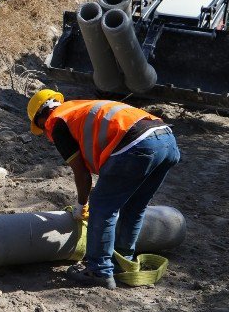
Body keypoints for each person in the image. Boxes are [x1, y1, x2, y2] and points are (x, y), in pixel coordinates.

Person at [27, 89, 181, 289]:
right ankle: (121, 262)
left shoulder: (58, 123)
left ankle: (99, 270)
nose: (44, 133)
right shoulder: (79, 108)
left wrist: (81, 205)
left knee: (101, 206)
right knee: (134, 206)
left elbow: (82, 175)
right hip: (166, 140)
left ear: (41, 117)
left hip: (137, 144)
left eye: (40, 127)